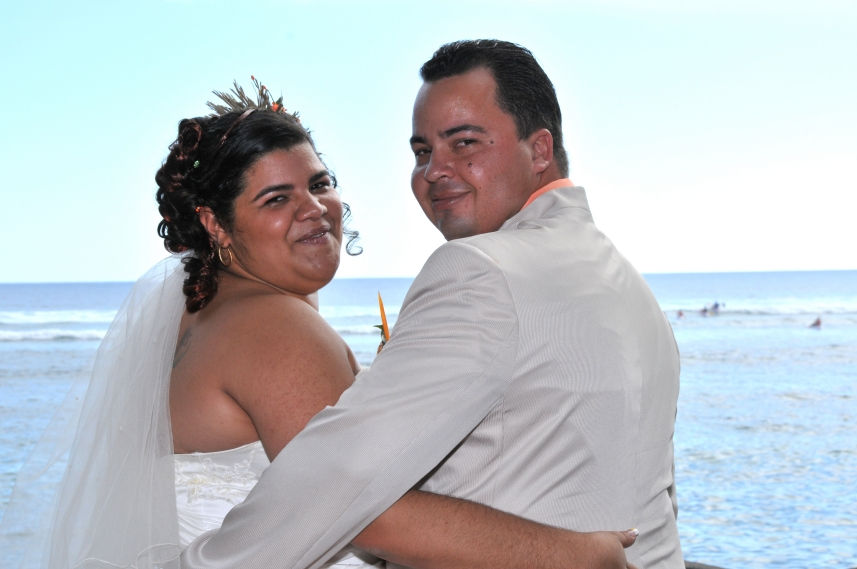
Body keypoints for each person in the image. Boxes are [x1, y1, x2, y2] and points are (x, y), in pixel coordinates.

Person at [0, 78, 636, 569]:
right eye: (277, 198)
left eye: (319, 183)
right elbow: (369, 517)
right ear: (216, 224)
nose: (315, 210)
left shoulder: (203, 315)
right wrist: (583, 554)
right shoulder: (273, 327)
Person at [182, 40, 684, 569]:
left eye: (464, 143)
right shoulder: (630, 288)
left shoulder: (480, 270)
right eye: (422, 152)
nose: (433, 171)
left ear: (539, 150)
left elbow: (341, 481)